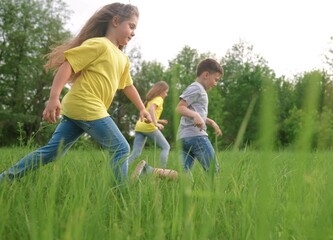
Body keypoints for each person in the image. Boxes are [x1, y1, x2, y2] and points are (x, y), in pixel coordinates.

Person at [0, 3, 151, 184]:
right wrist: (54, 97)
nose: (133, 32)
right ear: (116, 21)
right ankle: (122, 197)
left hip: (79, 108)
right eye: (131, 26)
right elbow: (68, 64)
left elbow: (128, 85)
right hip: (86, 104)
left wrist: (142, 109)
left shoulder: (122, 58)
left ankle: (5, 179)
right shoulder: (99, 44)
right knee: (121, 148)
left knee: (53, 152)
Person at [175, 58, 223, 173]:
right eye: (216, 79)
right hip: (196, 136)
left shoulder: (197, 89)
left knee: (183, 176)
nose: (215, 84)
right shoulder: (197, 88)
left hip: (183, 138)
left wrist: (211, 122)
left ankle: (148, 171)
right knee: (213, 171)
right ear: (206, 74)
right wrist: (195, 115)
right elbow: (180, 108)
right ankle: (214, 192)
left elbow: (194, 112)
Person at [127, 81, 171, 168]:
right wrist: (156, 124)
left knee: (136, 153)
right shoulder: (159, 99)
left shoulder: (151, 99)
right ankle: (163, 171)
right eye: (166, 92)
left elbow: (149, 114)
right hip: (148, 127)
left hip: (139, 126)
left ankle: (121, 167)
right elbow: (151, 109)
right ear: (161, 91)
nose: (166, 95)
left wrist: (160, 121)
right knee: (166, 147)